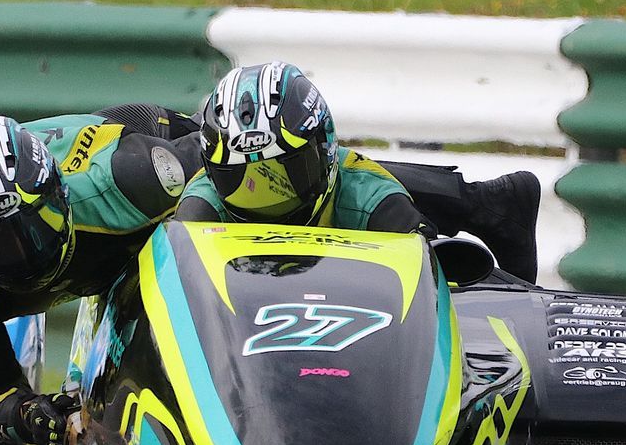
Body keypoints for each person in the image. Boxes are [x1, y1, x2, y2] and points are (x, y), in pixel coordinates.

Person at [0, 107, 200, 445]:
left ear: (60, 194)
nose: (20, 254)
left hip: (140, 135)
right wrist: (29, 415)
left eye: (34, 225)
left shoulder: (128, 183)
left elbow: (230, 164)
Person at [175, 61, 542, 281]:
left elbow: (432, 296)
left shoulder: (375, 200)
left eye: (285, 176)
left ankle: (495, 206)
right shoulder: (200, 207)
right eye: (243, 182)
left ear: (324, 150)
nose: (269, 202)